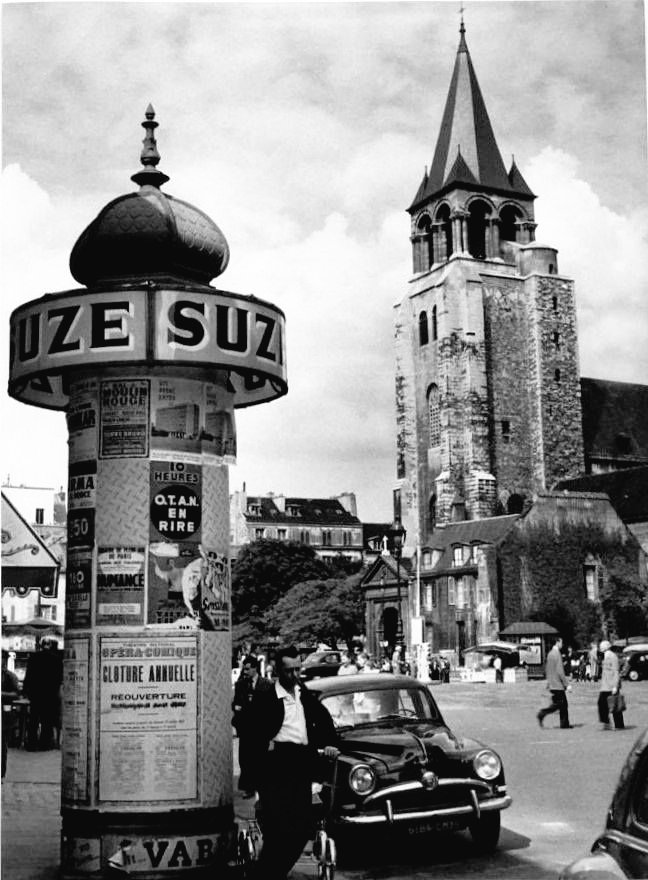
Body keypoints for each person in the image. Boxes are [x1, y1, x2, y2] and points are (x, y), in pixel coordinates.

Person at [247, 646, 339, 880]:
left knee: (301, 829)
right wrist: (254, 773)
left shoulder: (303, 693)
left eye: (298, 669)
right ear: (278, 671)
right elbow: (249, 735)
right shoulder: (266, 698)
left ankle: (268, 874)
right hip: (276, 764)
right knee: (278, 829)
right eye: (289, 671)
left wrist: (330, 743)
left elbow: (323, 719)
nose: (295, 675)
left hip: (302, 763)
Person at [232, 654, 273, 797]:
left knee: (261, 760)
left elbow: (271, 708)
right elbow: (236, 705)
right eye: (244, 669)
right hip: (246, 729)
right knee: (246, 759)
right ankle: (249, 788)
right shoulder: (240, 685)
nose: (245, 672)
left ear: (255, 668)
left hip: (261, 730)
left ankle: (262, 787)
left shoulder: (267, 685)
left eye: (248, 669)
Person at [23, 638, 63, 751]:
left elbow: (29, 675)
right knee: (47, 720)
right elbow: (59, 678)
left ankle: (31, 744)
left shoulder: (34, 657)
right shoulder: (56, 659)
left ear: (41, 646)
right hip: (50, 694)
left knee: (34, 719)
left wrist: (26, 691)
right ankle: (44, 744)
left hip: (36, 694)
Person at [537, 637, 572, 729]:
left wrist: (549, 682)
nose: (562, 644)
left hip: (552, 683)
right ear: (557, 642)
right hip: (558, 684)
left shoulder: (550, 654)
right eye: (561, 642)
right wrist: (567, 684)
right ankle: (542, 713)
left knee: (563, 704)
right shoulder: (557, 654)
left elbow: (548, 669)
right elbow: (560, 671)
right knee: (559, 704)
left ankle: (565, 724)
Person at [597, 640, 625, 730]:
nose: (600, 647)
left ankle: (619, 725)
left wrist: (615, 686)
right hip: (605, 686)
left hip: (611, 685)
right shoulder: (604, 656)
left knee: (615, 704)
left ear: (607, 647)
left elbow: (616, 672)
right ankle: (606, 723)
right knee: (602, 704)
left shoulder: (613, 656)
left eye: (602, 646)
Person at [2, 651, 20, 779]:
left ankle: (1, 773)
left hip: (4, 714)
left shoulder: (9, 676)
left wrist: (1, 694)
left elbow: (16, 694)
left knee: (2, 746)